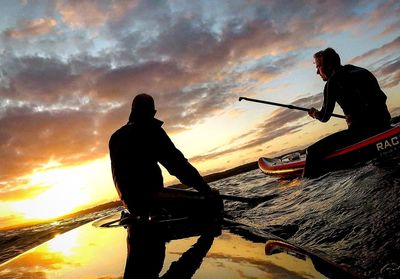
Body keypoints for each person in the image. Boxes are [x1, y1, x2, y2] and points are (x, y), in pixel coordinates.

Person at [109, 93, 214, 215]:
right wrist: (206, 190)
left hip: (131, 205)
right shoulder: (151, 130)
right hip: (152, 203)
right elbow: (178, 165)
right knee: (212, 203)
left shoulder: (115, 138)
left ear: (132, 111)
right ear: (153, 112)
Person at [303, 48, 391, 178]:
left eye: (318, 66)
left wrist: (315, 114)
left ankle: (304, 189)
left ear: (328, 65)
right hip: (384, 125)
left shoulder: (332, 82)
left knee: (311, 152)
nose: (317, 72)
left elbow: (324, 117)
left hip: (360, 133)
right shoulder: (362, 71)